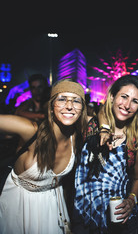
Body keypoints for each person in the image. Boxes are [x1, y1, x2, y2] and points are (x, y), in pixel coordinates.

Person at [0, 79, 88, 234]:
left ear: (82, 109)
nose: (69, 105)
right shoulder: (31, 131)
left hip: (53, 206)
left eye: (76, 101)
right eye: (62, 99)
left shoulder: (78, 136)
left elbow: (106, 117)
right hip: (19, 207)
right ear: (51, 105)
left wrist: (105, 128)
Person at [73, 75, 138, 234]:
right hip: (83, 217)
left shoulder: (136, 140)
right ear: (112, 97)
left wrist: (132, 200)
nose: (127, 105)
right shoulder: (90, 126)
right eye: (124, 97)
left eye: (134, 101)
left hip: (118, 222)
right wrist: (103, 127)